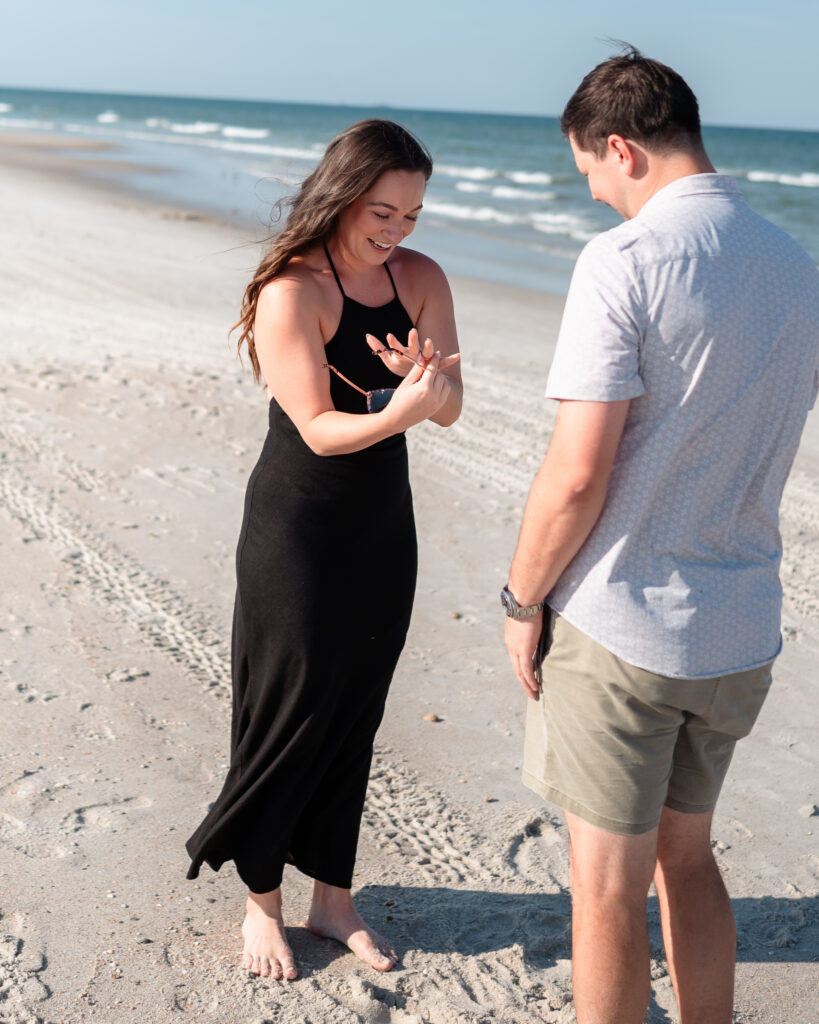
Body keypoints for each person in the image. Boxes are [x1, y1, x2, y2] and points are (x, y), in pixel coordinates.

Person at [503, 48, 819, 1024]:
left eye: (590, 171)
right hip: (737, 627)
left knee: (605, 887)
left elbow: (578, 473)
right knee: (689, 855)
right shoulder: (795, 263)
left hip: (626, 625)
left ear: (620, 146)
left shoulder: (626, 261)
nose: (595, 195)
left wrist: (521, 601)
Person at [186, 119, 462, 980]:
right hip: (297, 528)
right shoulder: (290, 289)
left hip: (381, 528)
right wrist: (401, 410)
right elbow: (315, 428)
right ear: (341, 195)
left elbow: (450, 406)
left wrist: (428, 383)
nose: (397, 229)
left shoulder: (421, 279)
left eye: (412, 214)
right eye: (383, 210)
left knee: (355, 708)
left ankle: (332, 901)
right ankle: (259, 905)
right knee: (286, 708)